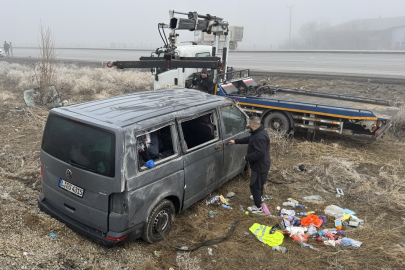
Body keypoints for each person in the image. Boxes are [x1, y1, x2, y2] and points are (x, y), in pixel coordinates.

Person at [228, 116, 270, 213]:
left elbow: (260, 153)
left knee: (255, 186)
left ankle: (258, 207)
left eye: (249, 124)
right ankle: (258, 197)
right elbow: (250, 139)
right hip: (263, 164)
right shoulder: (259, 133)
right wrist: (236, 141)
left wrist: (247, 157)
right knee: (259, 183)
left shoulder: (259, 137)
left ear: (251, 125)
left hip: (259, 166)